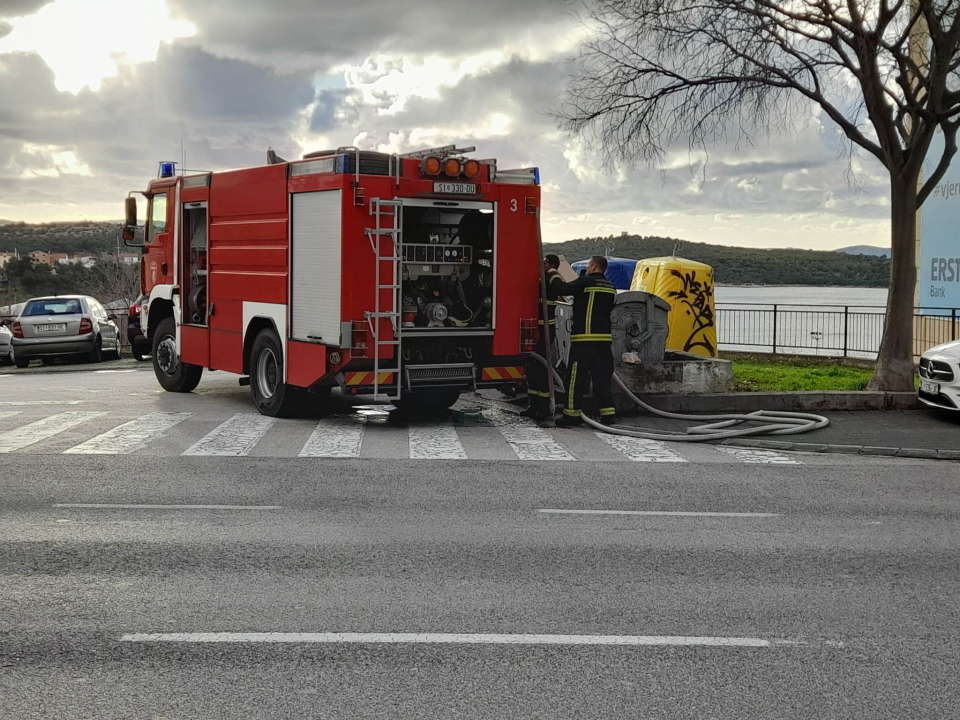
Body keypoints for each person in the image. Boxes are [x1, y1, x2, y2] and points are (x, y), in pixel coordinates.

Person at [555, 255, 617, 427]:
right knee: (602, 378)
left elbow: (563, 288)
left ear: (593, 265)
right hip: (604, 340)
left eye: (589, 265)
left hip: (584, 339)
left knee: (575, 377)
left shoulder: (585, 282)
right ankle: (608, 414)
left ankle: (571, 415)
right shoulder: (611, 288)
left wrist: (552, 272)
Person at [522, 254, 564, 420]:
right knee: (531, 368)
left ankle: (544, 408)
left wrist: (553, 271)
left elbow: (559, 287)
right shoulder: (541, 282)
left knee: (542, 368)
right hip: (535, 330)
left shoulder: (552, 282)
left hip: (545, 331)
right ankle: (533, 404)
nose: (543, 265)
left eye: (546, 263)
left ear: (552, 265)